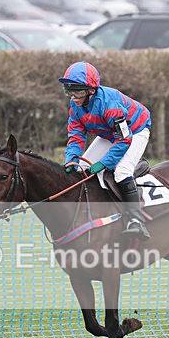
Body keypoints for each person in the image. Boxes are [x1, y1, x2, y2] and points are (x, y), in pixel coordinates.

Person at [60, 61, 152, 240]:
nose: (72, 96)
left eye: (77, 91)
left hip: (136, 131)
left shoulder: (110, 106)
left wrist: (103, 163)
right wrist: (71, 159)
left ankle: (136, 221)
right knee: (80, 170)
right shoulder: (76, 107)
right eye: (68, 90)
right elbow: (76, 136)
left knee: (121, 172)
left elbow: (124, 139)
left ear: (91, 91)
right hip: (110, 133)